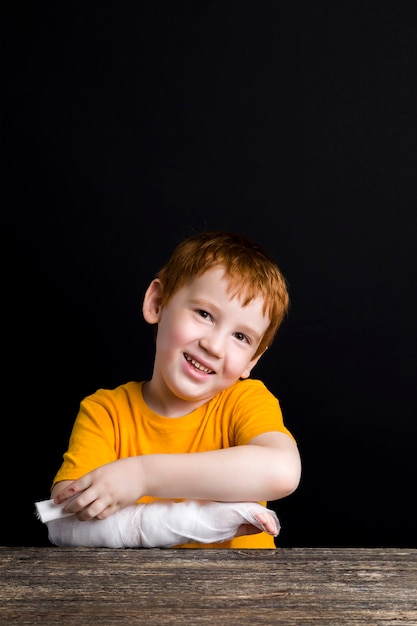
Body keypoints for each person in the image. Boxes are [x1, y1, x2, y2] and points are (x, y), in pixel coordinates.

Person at [43, 230, 301, 548]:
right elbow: (65, 522)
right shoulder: (106, 411)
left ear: (252, 361)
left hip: (241, 594)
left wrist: (143, 476)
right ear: (157, 303)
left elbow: (282, 470)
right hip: (134, 594)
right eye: (204, 314)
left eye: (241, 337)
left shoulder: (244, 401)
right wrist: (181, 522)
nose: (214, 345)